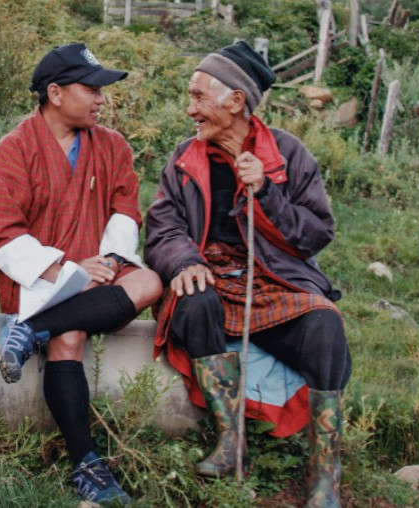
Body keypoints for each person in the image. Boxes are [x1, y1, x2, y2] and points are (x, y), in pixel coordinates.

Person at [144, 41, 350, 507]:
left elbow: (315, 234)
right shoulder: (185, 158)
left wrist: (268, 192)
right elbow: (162, 227)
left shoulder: (289, 154)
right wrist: (185, 261)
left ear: (235, 101)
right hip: (211, 277)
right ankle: (230, 441)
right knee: (194, 299)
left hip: (274, 281)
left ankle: (325, 473)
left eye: (198, 96)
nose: (190, 109)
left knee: (325, 326)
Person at [0, 42, 163, 505]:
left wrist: (112, 260)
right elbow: (4, 234)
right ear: (56, 93)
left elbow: (125, 209)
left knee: (148, 281)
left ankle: (28, 331)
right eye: (92, 89)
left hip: (100, 270)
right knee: (71, 336)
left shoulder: (112, 145)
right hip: (38, 278)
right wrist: (64, 268)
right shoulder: (12, 150)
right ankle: (85, 463)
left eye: (102, 90)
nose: (101, 98)